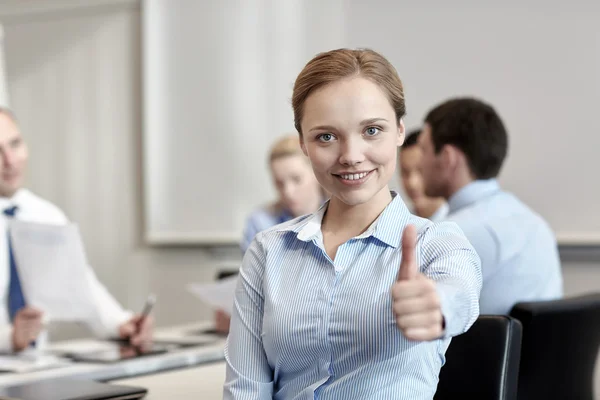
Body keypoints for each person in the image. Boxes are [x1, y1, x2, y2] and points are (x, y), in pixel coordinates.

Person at [223, 48, 482, 399]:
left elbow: (459, 294)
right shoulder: (268, 250)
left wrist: (437, 307)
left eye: (372, 130)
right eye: (326, 137)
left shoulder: (437, 244)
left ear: (400, 131)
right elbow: (245, 390)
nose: (350, 155)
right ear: (303, 142)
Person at [0, 108, 152, 352]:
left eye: (15, 144)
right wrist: (9, 338)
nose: (10, 161)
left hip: (35, 368)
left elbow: (82, 287)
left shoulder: (47, 216)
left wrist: (121, 324)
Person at [418, 97, 563, 315]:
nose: (419, 164)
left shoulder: (453, 234)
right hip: (551, 350)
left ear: (447, 158)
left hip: (476, 349)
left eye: (424, 151)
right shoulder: (535, 222)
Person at [214, 134, 324, 334]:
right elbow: (256, 286)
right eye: (279, 183)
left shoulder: (340, 217)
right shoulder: (260, 222)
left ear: (316, 173)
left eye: (296, 180)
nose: (288, 191)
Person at [398, 129, 447, 221]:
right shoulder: (398, 224)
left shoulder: (460, 226)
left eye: (421, 170)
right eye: (405, 172)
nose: (412, 183)